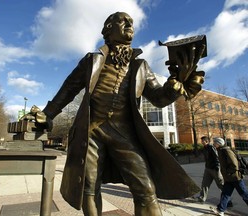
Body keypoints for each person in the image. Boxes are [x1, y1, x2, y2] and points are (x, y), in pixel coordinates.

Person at [37, 12, 205, 216]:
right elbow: (68, 89)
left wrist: (176, 87)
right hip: (91, 131)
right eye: (123, 21)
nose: (129, 24)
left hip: (124, 132)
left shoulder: (140, 65)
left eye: (131, 22)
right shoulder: (92, 60)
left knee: (146, 189)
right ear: (108, 28)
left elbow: (159, 99)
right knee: (89, 189)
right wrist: (48, 113)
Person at [210, 137, 248, 216]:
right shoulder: (220, 150)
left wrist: (228, 173)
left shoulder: (226, 150)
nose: (213, 144)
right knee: (225, 194)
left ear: (219, 143)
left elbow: (234, 165)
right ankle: (220, 210)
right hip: (229, 178)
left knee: (244, 194)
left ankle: (221, 209)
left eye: (214, 142)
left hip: (235, 177)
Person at [195, 136, 224, 203]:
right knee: (205, 184)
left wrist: (217, 167)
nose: (201, 142)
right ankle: (202, 198)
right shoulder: (204, 148)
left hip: (214, 169)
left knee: (220, 184)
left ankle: (228, 200)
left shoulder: (211, 147)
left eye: (203, 141)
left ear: (207, 141)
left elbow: (216, 157)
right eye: (201, 141)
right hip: (208, 168)